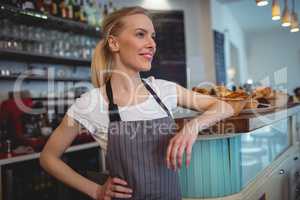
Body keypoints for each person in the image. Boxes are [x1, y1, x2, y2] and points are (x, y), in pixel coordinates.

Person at [40, 6, 234, 200]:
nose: (152, 44)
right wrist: (96, 190)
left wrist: (192, 128)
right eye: (141, 34)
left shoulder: (163, 90)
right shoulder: (91, 103)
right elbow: (48, 158)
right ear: (114, 43)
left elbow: (224, 106)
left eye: (153, 36)